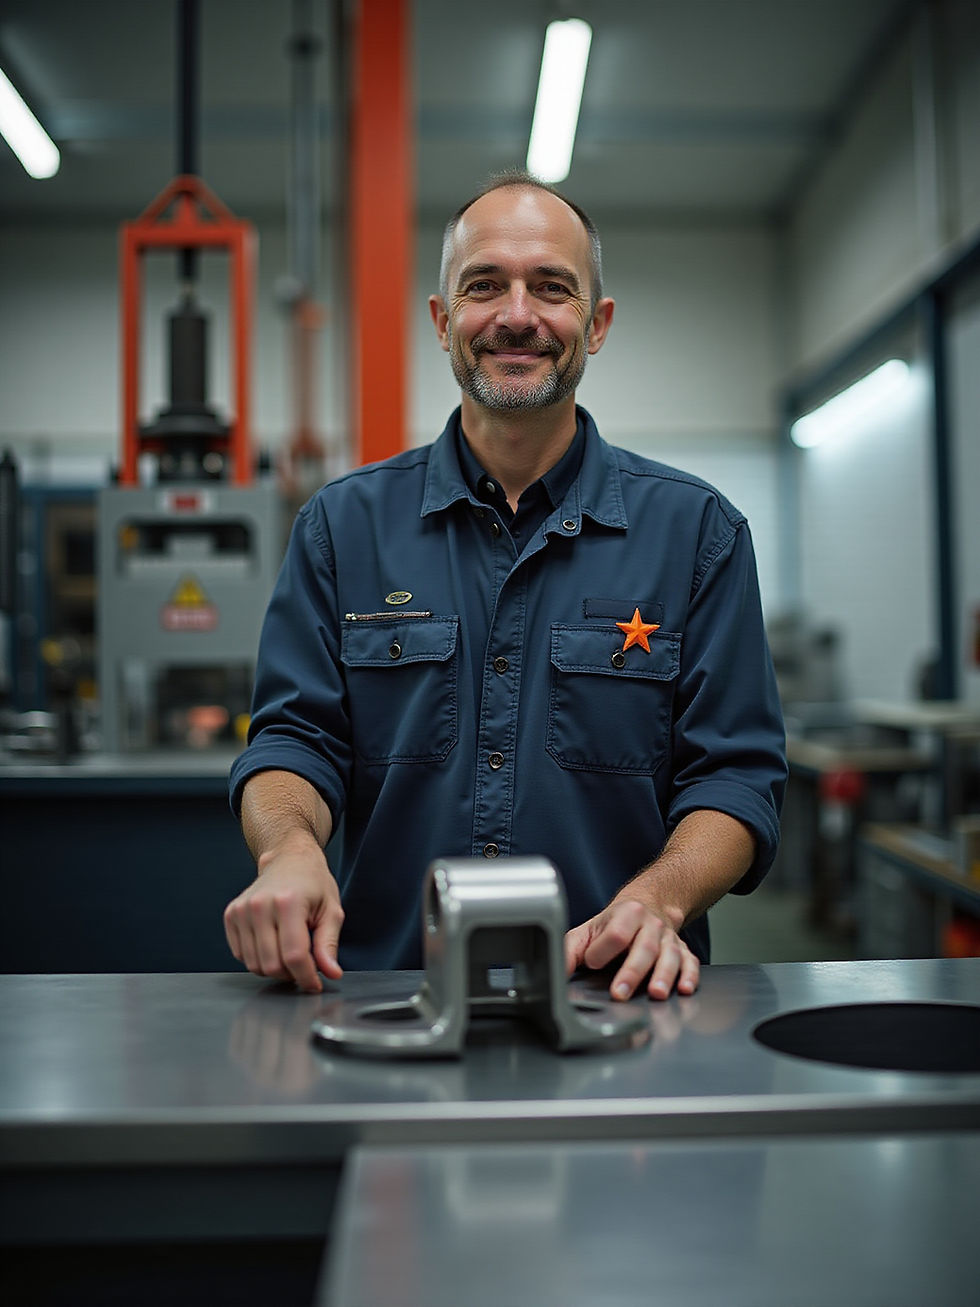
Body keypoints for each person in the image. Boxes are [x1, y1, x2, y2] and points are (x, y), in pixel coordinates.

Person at [224, 172, 786, 1003]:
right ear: (443, 320)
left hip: (614, 994)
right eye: (484, 285)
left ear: (595, 326)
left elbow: (736, 778)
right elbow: (292, 742)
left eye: (552, 288)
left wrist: (659, 896)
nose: (517, 315)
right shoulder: (342, 529)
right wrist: (289, 850)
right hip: (381, 999)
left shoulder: (698, 534)